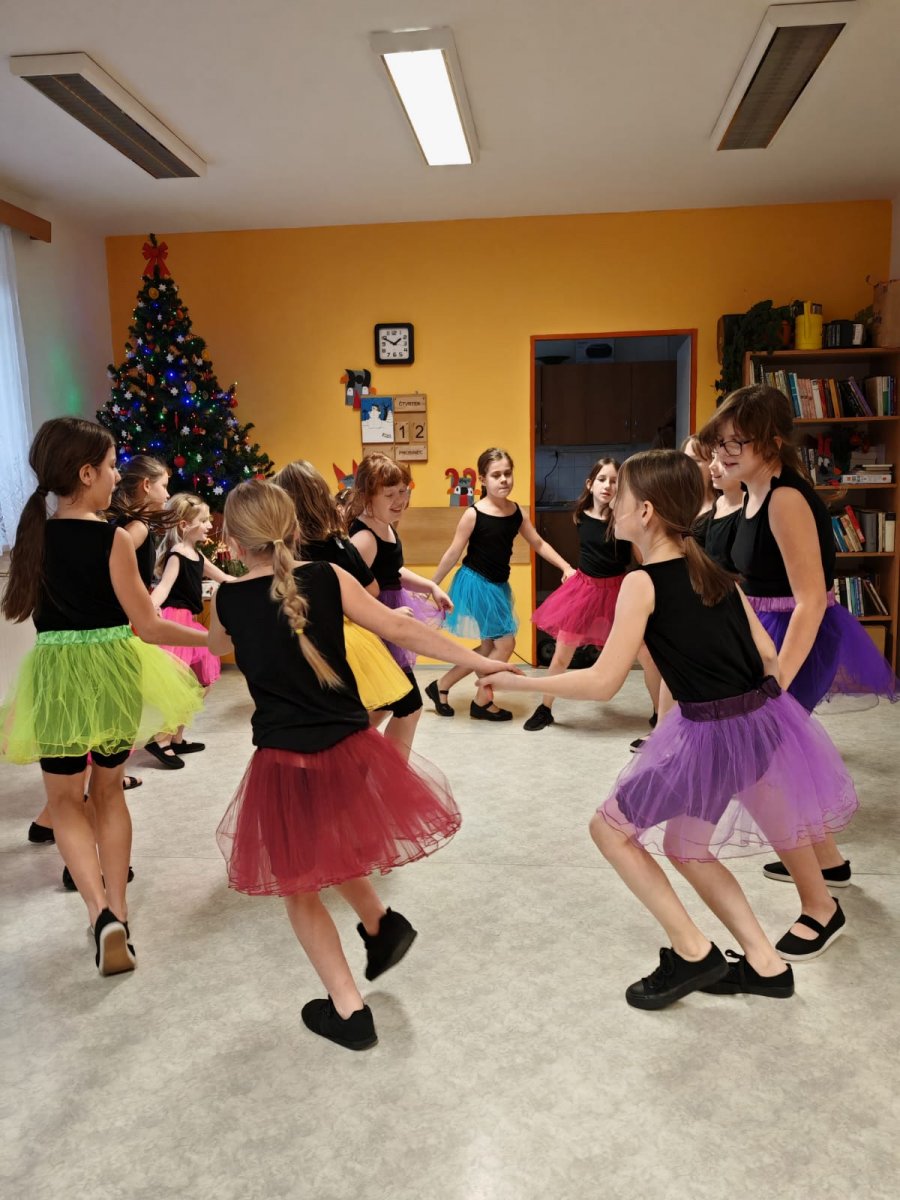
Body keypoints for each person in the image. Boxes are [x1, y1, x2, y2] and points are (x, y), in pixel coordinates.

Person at [487, 449, 858, 1007]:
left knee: (609, 831)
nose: (613, 506)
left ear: (647, 512)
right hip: (754, 727)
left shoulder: (642, 582)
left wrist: (520, 682)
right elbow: (768, 656)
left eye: (622, 497)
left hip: (711, 735)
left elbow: (603, 682)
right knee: (686, 846)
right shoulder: (716, 573)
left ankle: (693, 953)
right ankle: (766, 966)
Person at [207, 480, 508, 1050]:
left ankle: (349, 1011)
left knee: (299, 886)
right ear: (292, 528)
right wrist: (481, 662)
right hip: (348, 745)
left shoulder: (227, 602)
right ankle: (381, 924)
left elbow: (214, 643)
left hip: (285, 761)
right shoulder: (327, 576)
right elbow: (400, 626)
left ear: (233, 541)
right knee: (329, 845)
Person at [0, 418, 206, 975]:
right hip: (112, 669)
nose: (118, 477)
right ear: (86, 473)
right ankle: (120, 910)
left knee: (65, 800)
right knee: (108, 792)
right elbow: (149, 625)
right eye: (113, 467)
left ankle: (98, 915)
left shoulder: (32, 537)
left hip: (56, 676)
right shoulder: (112, 538)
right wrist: (211, 638)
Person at [700, 384, 897, 899]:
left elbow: (809, 600)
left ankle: (824, 876)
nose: (724, 453)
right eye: (720, 442)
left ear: (770, 441)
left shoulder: (785, 498)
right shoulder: (751, 492)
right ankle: (828, 863)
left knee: (768, 750)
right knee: (774, 752)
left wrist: (778, 679)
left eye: (735, 442)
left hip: (800, 635)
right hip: (768, 630)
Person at [26, 454, 172, 844]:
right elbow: (130, 600)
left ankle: (58, 828)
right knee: (96, 755)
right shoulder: (123, 532)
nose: (117, 474)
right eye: (111, 465)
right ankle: (74, 836)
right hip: (106, 646)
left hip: (73, 652)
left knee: (79, 754)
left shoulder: (53, 532)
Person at [428, 447, 575, 721]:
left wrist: (565, 566)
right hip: (476, 583)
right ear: (483, 479)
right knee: (506, 644)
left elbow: (539, 543)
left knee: (488, 648)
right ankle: (482, 701)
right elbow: (454, 552)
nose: (504, 479)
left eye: (508, 473)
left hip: (497, 585)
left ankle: (441, 685)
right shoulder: (474, 514)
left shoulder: (516, 512)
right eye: (496, 475)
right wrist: (432, 585)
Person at [273, 460, 410, 712]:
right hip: (339, 640)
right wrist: (388, 615)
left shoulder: (276, 551)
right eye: (390, 494)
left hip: (291, 644)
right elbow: (369, 590)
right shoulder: (337, 543)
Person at [347, 453, 450, 759]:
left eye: (403, 491)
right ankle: (384, 770)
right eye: (389, 494)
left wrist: (430, 586)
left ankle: (350, 757)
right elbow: (347, 594)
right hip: (375, 630)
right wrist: (387, 616)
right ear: (367, 495)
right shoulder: (364, 538)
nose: (399, 500)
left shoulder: (385, 526)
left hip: (387, 625)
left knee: (385, 704)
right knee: (408, 704)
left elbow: (392, 571)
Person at [524, 458, 630, 731]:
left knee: (645, 652)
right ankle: (545, 708)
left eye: (614, 481)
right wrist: (567, 570)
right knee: (561, 655)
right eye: (602, 479)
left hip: (618, 591)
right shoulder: (580, 516)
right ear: (590, 484)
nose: (608, 486)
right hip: (584, 591)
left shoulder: (624, 518)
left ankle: (658, 713)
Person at [145, 493, 231, 768]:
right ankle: (160, 739)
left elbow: (224, 577)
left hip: (189, 621)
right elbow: (163, 588)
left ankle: (177, 738)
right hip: (175, 622)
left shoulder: (197, 555)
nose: (209, 525)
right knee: (180, 685)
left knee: (202, 682)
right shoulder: (177, 555)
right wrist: (150, 607)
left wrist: (256, 580)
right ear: (184, 525)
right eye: (203, 521)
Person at [704, 449, 743, 572]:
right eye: (713, 457)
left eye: (723, 461)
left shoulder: (747, 508)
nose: (711, 465)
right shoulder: (719, 502)